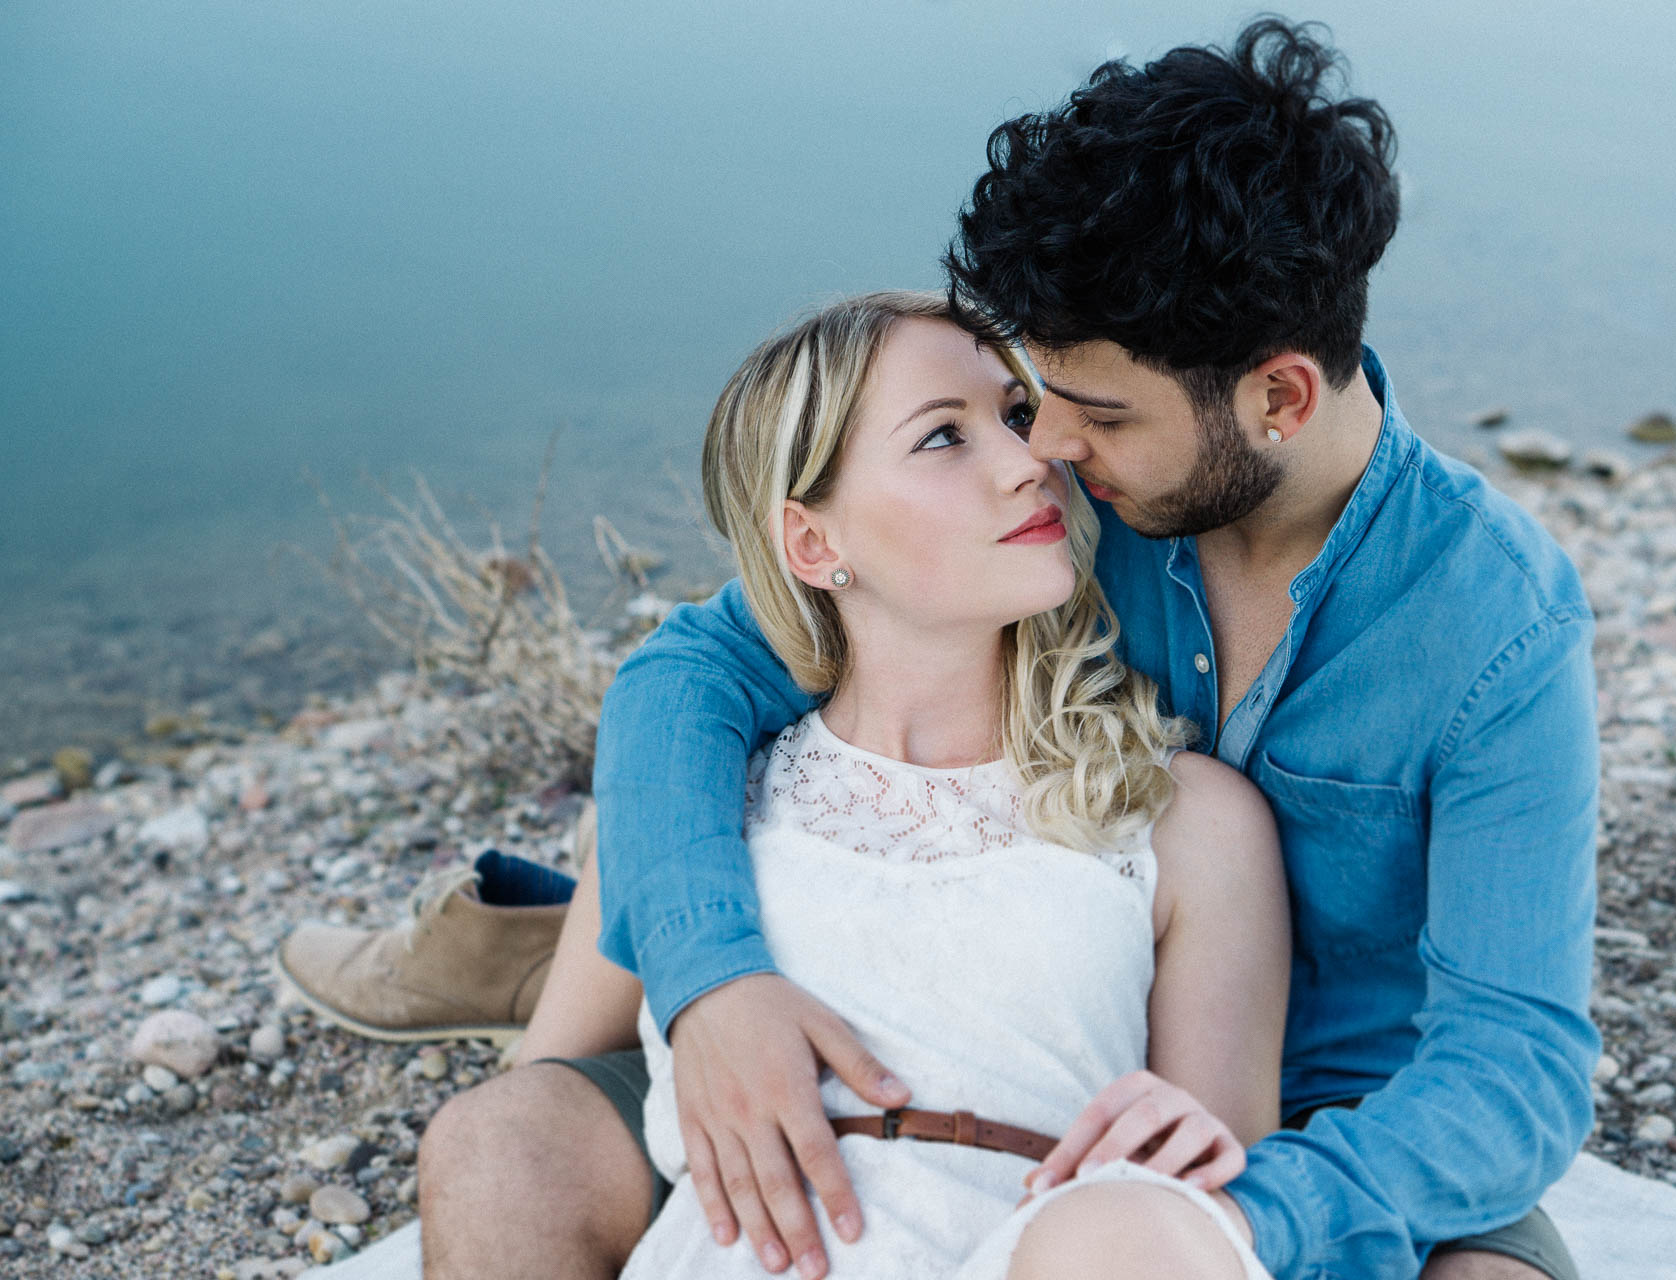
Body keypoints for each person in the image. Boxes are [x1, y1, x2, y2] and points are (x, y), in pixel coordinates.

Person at [378, 17, 1599, 1280]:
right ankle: (550, 956)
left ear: (1279, 398)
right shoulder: (1057, 508)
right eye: (1035, 392)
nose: (1048, 446)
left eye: (1097, 412)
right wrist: (711, 977)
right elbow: (681, 682)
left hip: (1343, 1135)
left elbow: (1515, 1064)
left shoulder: (1496, 623)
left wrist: (1249, 1206)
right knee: (504, 1146)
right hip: (935, 1049)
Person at [410, 291, 1292, 1279]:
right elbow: (542, 1097)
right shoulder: (697, 810)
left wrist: (1184, 1146)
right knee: (491, 1135)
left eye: (1013, 413)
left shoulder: (1185, 817)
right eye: (942, 438)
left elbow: (1223, 1175)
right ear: (815, 544)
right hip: (738, 1253)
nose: (1025, 460)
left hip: (1036, 1249)